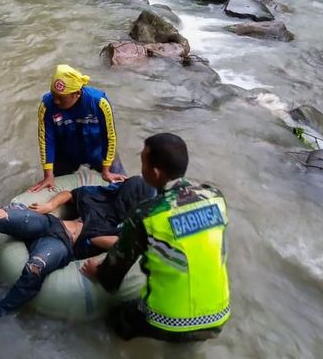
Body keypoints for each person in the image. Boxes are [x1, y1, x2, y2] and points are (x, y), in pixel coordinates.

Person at [0, 176, 156, 345]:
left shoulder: (126, 231)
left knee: (35, 267)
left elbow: (110, 242)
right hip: (51, 222)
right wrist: (49, 205)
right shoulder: (102, 196)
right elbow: (71, 193)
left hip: (61, 244)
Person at [81, 133, 231, 342]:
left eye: (143, 163)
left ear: (155, 172)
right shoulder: (215, 196)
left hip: (167, 321)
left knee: (116, 318)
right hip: (218, 318)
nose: (141, 169)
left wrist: (96, 270)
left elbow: (111, 278)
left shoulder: (147, 215)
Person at [30, 64, 125, 193]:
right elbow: (46, 140)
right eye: (54, 95)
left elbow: (110, 136)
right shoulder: (47, 106)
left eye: (61, 98)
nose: (56, 101)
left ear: (77, 94)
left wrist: (106, 169)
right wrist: (48, 174)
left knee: (123, 186)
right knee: (52, 189)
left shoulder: (99, 103)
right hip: (66, 153)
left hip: (97, 150)